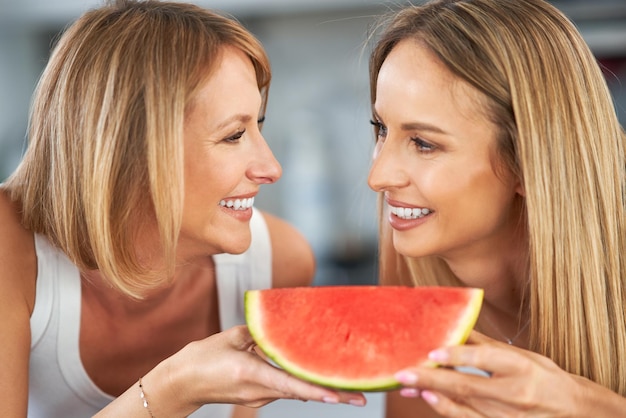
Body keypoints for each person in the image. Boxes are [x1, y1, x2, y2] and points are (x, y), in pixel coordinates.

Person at [0, 1, 367, 417]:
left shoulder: (279, 262)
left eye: (257, 127)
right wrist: (175, 386)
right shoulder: (9, 249)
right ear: (134, 150)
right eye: (233, 135)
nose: (271, 168)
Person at [366, 0, 626, 416]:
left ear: (527, 163)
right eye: (381, 128)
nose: (377, 178)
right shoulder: (408, 249)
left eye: (424, 143)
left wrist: (588, 406)